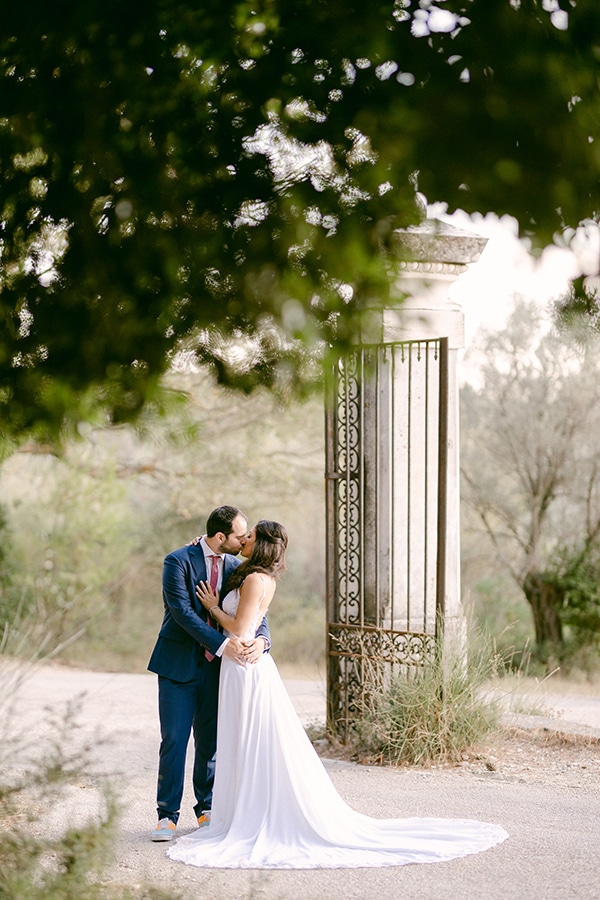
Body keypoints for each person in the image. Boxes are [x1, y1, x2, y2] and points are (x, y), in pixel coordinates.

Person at [166, 519, 509, 869]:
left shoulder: (254, 578)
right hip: (238, 665)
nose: (244, 540)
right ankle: (234, 811)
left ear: (262, 543)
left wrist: (212, 608)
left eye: (250, 536)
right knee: (241, 741)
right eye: (242, 535)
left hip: (244, 666)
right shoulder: (246, 572)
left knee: (251, 741)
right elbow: (247, 619)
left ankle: (252, 814)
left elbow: (242, 627)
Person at [147, 505, 271, 842]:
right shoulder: (177, 561)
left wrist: (263, 642)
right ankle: (166, 816)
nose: (246, 539)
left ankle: (207, 809)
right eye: (240, 535)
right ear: (220, 537)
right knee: (174, 739)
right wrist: (222, 645)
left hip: (220, 671)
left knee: (211, 742)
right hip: (178, 666)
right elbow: (183, 613)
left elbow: (257, 611)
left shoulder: (238, 567)